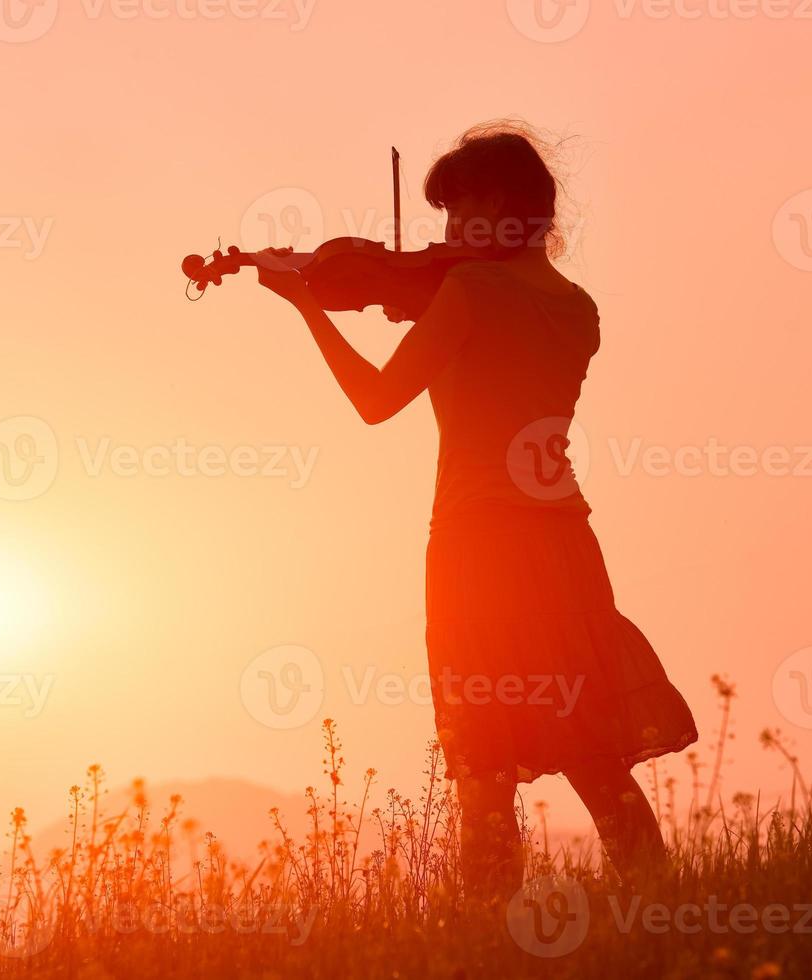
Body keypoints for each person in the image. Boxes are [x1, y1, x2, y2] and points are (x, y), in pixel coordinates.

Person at [254, 121, 698, 903]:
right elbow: (497, 356)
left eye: (458, 213)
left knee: (483, 763)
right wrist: (426, 309)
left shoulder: (467, 291)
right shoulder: (577, 308)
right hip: (563, 542)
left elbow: (375, 400)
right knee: (595, 753)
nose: (449, 233)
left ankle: (484, 930)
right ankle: (662, 914)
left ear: (498, 203)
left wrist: (306, 307)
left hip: (476, 547)